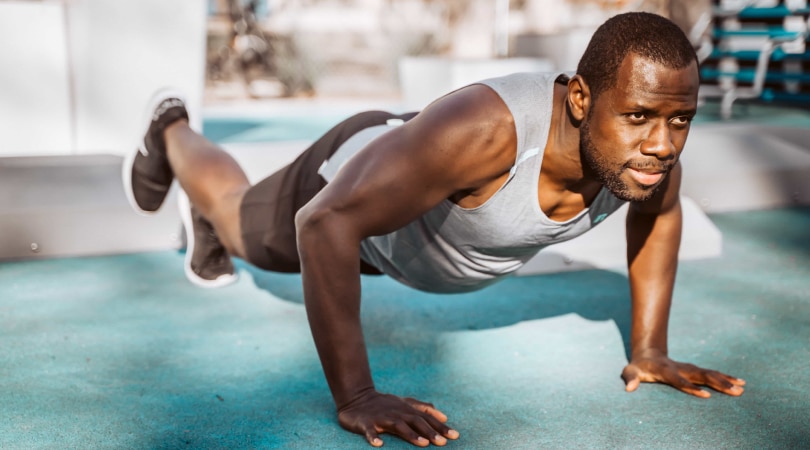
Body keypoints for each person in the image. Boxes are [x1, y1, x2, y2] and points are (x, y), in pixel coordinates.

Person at [124, 12, 746, 448]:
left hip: (402, 240)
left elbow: (659, 216)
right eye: (638, 115)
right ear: (581, 98)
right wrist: (357, 395)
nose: (663, 143)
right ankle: (172, 129)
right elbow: (323, 224)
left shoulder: (647, 157)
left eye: (680, 119)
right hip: (351, 195)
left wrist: (649, 350)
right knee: (239, 224)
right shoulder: (485, 132)